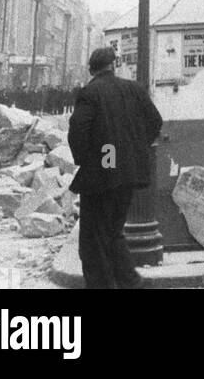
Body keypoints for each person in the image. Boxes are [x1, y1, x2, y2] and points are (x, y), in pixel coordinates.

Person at [67, 46, 163, 290]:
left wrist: (86, 160)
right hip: (129, 173)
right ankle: (129, 282)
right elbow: (155, 121)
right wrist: (135, 149)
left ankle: (116, 283)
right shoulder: (134, 89)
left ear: (92, 69)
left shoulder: (89, 93)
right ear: (114, 65)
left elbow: (78, 131)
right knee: (112, 231)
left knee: (92, 239)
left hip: (100, 176)